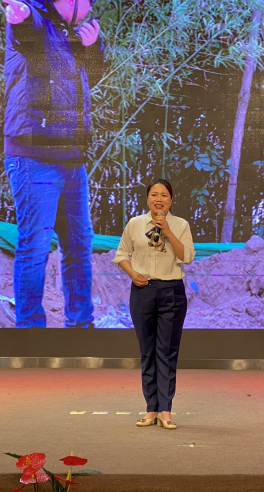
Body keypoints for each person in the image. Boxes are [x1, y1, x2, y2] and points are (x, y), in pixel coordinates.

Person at [1, 0, 105, 328]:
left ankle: (81, 326)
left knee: (79, 246)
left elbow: (93, 71)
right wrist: (21, 19)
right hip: (34, 156)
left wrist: (93, 48)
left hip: (72, 156)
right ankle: (30, 333)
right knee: (34, 247)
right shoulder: (33, 15)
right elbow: (27, 33)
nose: (92, 8)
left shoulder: (74, 29)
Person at [114, 179, 195, 430]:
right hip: (142, 291)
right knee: (147, 351)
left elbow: (188, 257)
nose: (158, 199)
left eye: (164, 195)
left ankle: (166, 410)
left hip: (171, 291)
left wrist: (168, 231)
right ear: (147, 199)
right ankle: (150, 408)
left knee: (167, 352)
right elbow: (121, 255)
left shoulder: (180, 225)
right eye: (153, 195)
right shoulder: (135, 224)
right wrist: (132, 273)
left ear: (171, 200)